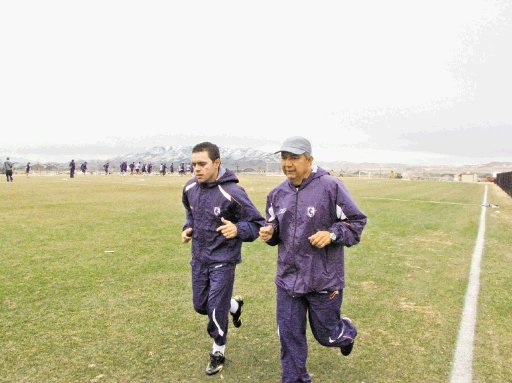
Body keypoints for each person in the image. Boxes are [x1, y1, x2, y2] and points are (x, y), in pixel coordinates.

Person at [259, 136, 367, 383]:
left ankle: (345, 331)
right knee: (289, 338)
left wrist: (332, 234)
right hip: (287, 281)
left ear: (309, 159)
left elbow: (357, 223)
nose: (288, 163)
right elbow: (274, 226)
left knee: (326, 335)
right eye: (284, 158)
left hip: (323, 280)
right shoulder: (276, 194)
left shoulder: (331, 187)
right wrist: (270, 232)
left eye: (294, 157)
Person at [181, 142, 265, 376]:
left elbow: (257, 225)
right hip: (199, 258)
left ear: (216, 163)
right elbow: (190, 213)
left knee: (215, 310)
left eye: (202, 164)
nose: (196, 169)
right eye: (194, 164)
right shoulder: (189, 188)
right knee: (201, 306)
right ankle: (234, 305)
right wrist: (188, 228)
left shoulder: (233, 192)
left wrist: (238, 230)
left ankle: (218, 350)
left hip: (223, 260)